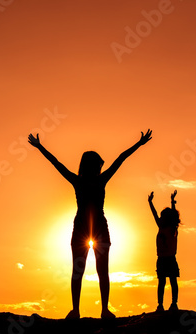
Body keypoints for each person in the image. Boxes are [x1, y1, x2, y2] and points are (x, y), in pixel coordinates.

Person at [28, 130, 152, 319]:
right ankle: (81, 310)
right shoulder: (91, 180)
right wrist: (40, 147)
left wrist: (139, 144)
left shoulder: (84, 181)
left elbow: (120, 158)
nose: (100, 168)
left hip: (91, 228)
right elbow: (57, 163)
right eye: (98, 165)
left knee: (96, 271)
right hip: (88, 228)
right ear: (92, 166)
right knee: (85, 271)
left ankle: (99, 310)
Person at [147, 190, 181, 312]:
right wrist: (150, 202)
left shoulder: (172, 228)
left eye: (162, 216)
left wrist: (172, 202)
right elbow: (154, 214)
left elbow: (173, 216)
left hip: (170, 258)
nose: (160, 218)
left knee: (172, 281)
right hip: (161, 259)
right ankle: (160, 305)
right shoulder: (160, 226)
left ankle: (174, 304)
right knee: (161, 282)